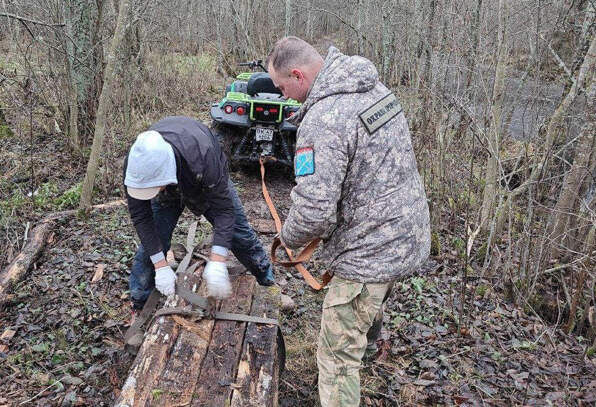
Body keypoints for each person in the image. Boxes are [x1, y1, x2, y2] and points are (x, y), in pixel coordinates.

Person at [267, 37, 430, 406]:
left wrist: (284, 240)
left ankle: (351, 369)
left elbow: (312, 211)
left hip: (370, 249)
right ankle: (369, 347)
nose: (284, 97)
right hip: (409, 231)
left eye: (282, 88)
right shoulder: (371, 86)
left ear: (297, 74)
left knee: (336, 359)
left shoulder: (323, 121)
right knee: (372, 300)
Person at [124, 116, 274, 311]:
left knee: (239, 234)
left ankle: (267, 283)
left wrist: (218, 259)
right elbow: (141, 217)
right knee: (154, 242)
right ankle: (140, 302)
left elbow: (224, 211)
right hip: (167, 177)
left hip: (200, 175)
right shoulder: (136, 165)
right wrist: (160, 265)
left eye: (155, 187)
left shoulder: (204, 155)